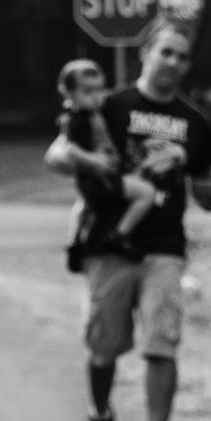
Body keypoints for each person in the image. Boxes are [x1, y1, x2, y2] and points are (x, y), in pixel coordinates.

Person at [44, 23, 211, 421]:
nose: (173, 64)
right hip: (110, 245)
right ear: (147, 53)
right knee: (104, 346)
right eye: (166, 53)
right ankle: (100, 418)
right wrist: (89, 162)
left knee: (161, 341)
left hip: (164, 246)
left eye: (182, 57)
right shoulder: (111, 105)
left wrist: (191, 168)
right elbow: (55, 155)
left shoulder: (194, 122)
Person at [53, 58, 161, 266]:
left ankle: (75, 244)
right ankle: (119, 235)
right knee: (146, 193)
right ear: (69, 93)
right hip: (101, 180)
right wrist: (94, 161)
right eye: (88, 91)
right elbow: (69, 148)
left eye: (99, 90)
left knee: (84, 205)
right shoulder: (78, 119)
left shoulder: (91, 113)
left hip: (95, 181)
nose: (96, 97)